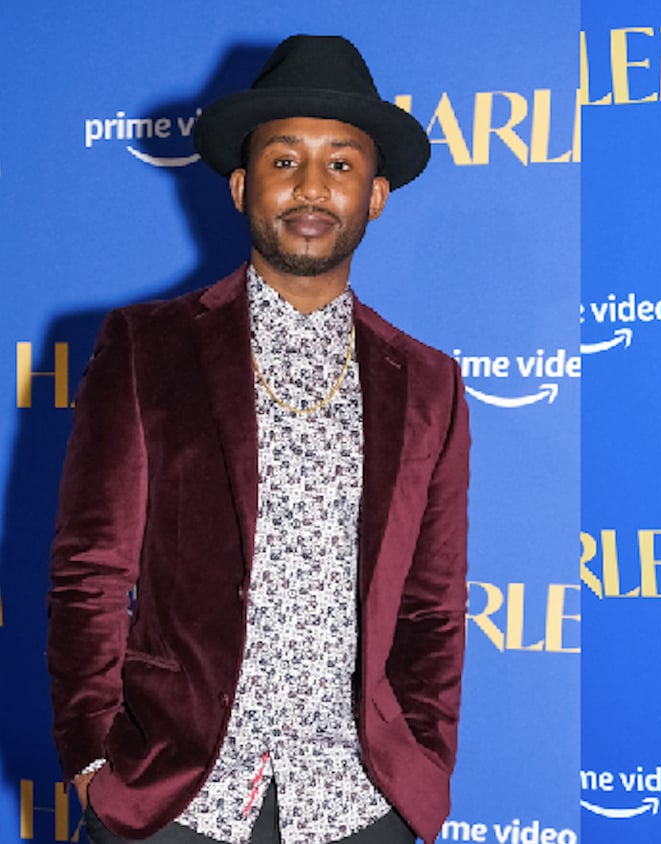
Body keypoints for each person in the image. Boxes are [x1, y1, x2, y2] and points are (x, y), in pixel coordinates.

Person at [46, 35, 469, 844]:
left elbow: (433, 604)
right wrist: (93, 754)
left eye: (340, 164)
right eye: (283, 160)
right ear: (242, 187)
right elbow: (90, 571)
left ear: (376, 195)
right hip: (173, 796)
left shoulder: (429, 382)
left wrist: (425, 759)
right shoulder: (147, 347)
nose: (311, 186)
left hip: (359, 802)